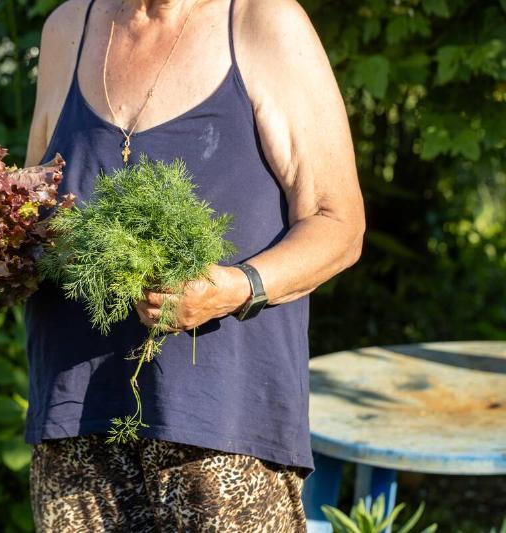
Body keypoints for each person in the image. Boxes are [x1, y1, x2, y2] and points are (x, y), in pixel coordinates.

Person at [22, 0, 365, 530]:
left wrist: (235, 286)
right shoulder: (68, 28)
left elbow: (338, 223)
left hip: (223, 428)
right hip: (76, 417)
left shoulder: (263, 21)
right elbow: (30, 210)